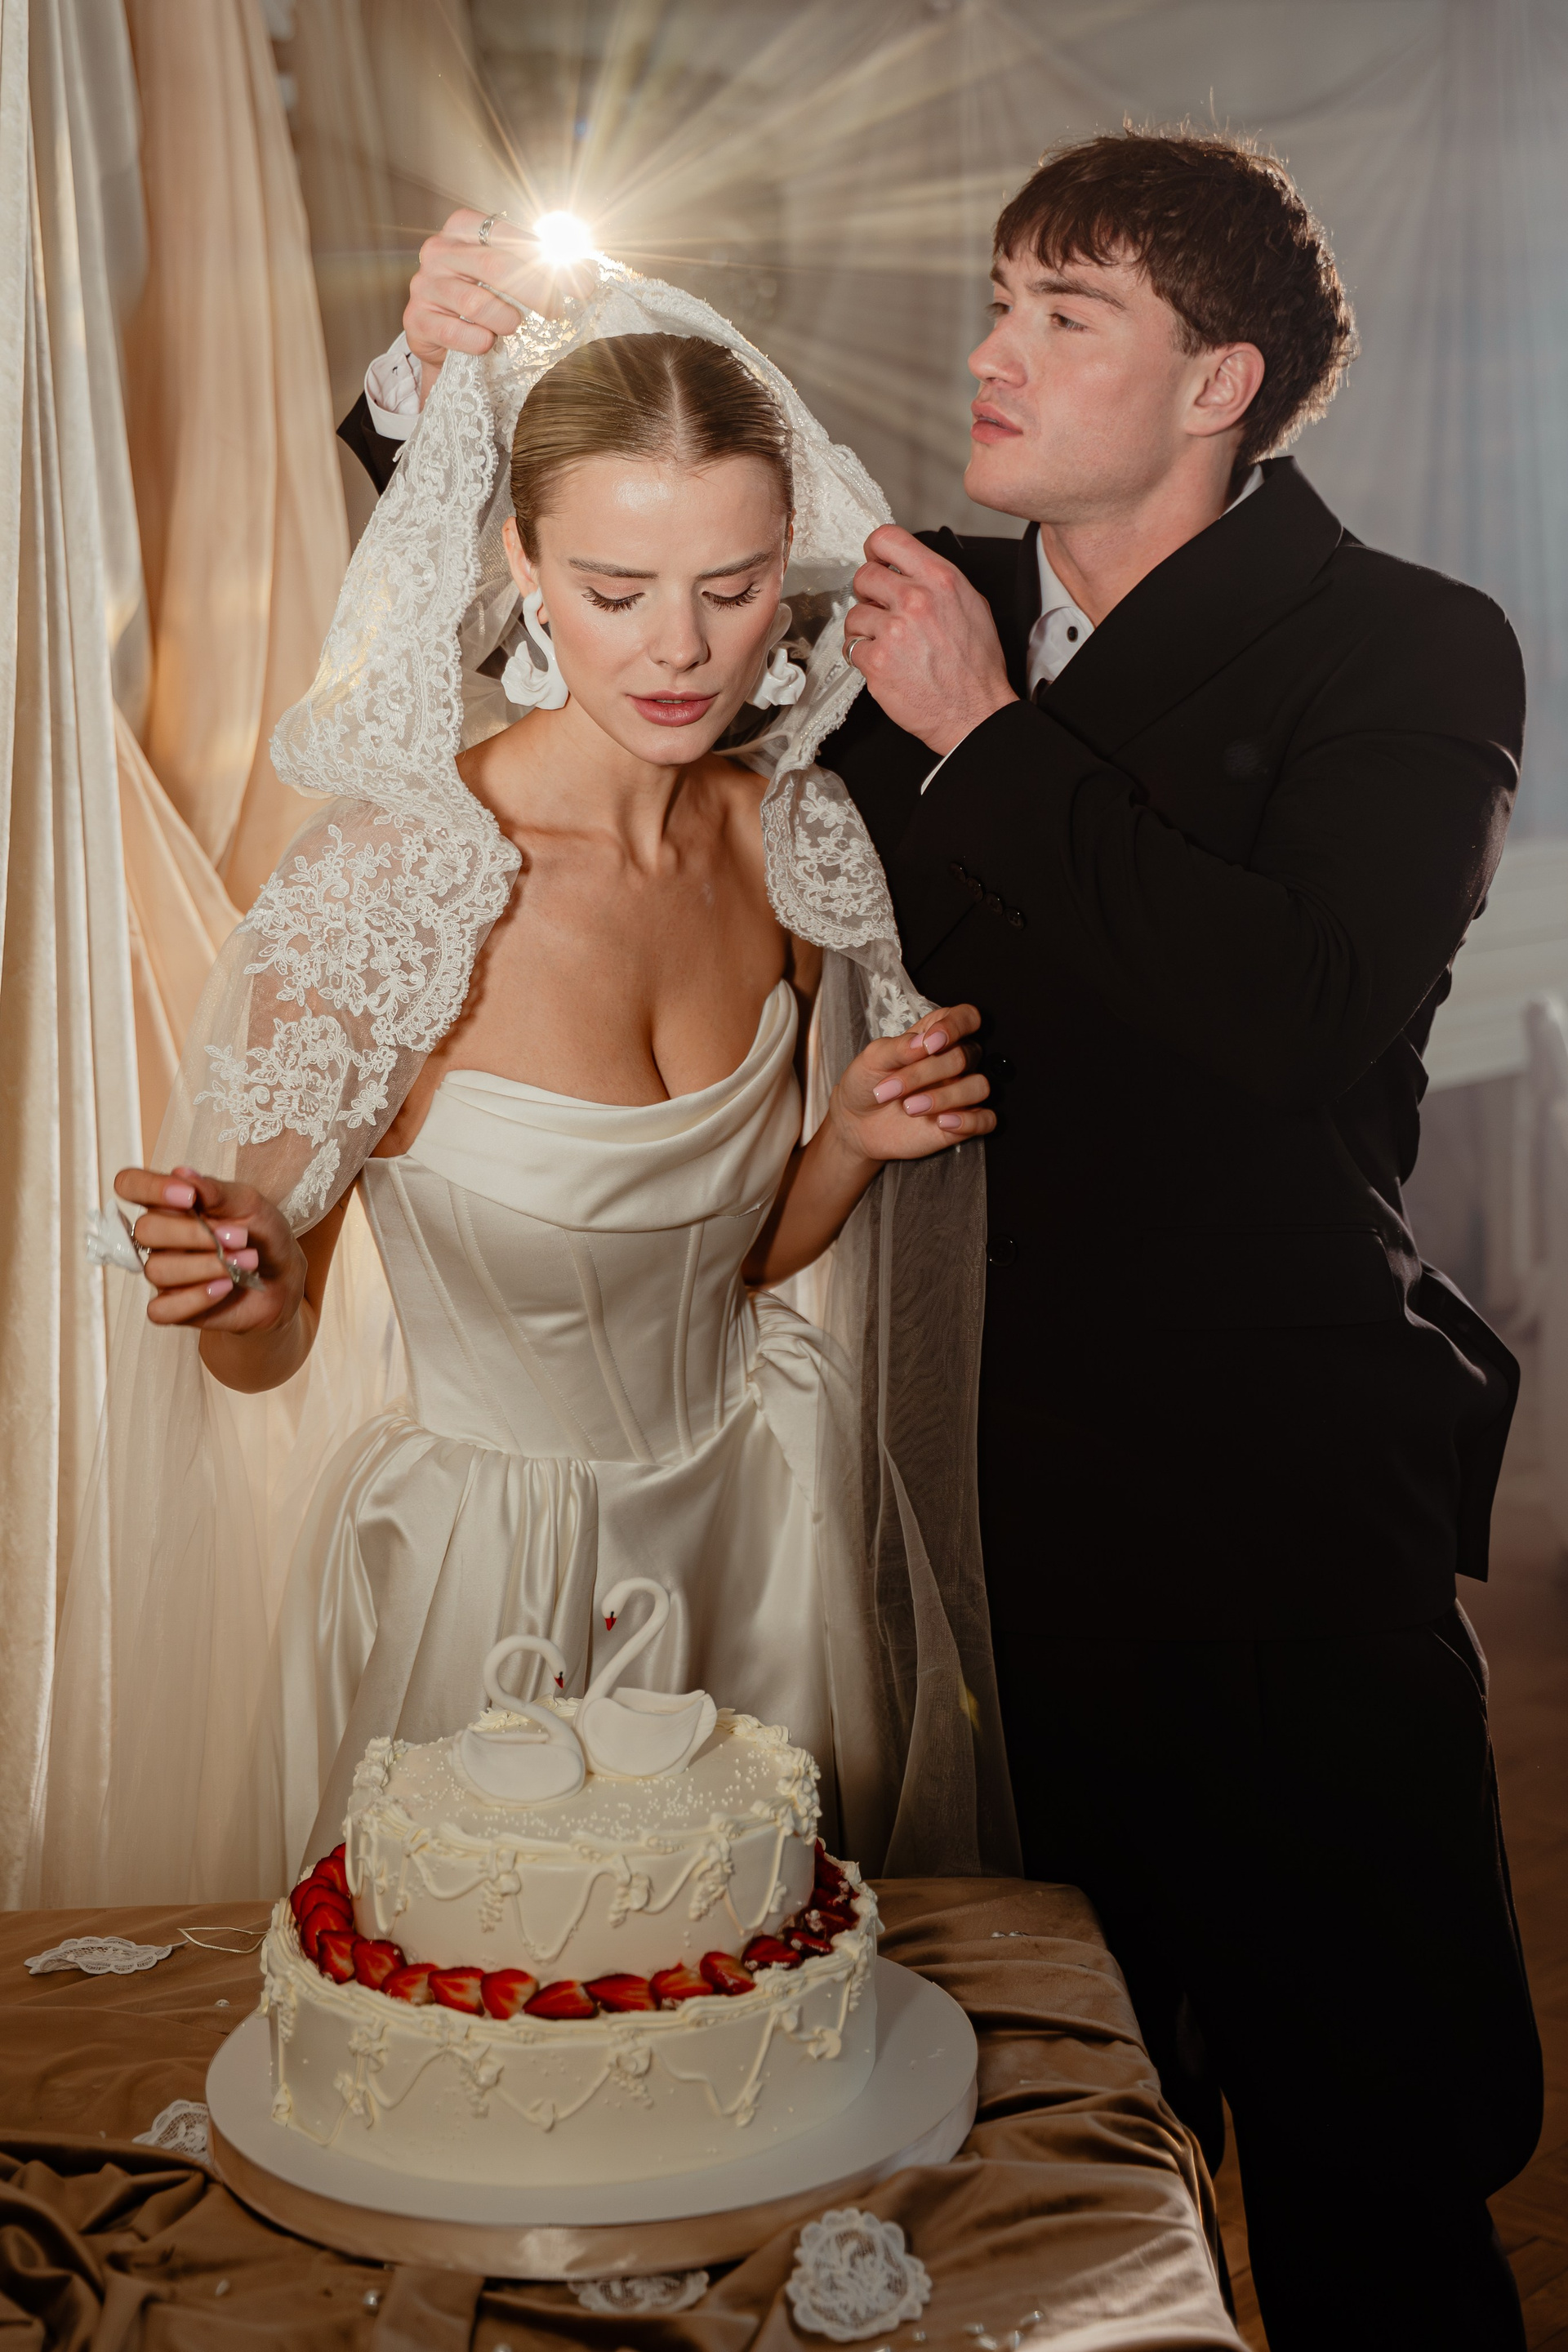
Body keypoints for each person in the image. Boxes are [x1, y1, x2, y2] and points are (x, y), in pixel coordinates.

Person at [341, 133, 1540, 2350]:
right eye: (998, 298)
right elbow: (590, 623)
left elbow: (1301, 1012)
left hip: (1274, 1517)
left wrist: (984, 732)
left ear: (1219, 384)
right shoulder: (888, 606)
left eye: (1063, 316)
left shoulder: (1413, 643)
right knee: (1057, 2153)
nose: (992, 353)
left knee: (1373, 2160)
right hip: (955, 1522)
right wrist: (434, 393)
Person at [35, 296, 1017, 1917]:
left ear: (790, 569)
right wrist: (251, 1297)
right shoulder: (388, 891)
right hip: (490, 1588)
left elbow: (724, 1268)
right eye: (618, 592)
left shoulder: (793, 843)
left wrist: (843, 1141)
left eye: (732, 587)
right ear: (523, 568)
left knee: (753, 1997)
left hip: (760, 1537)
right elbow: (257, 1344)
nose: (681, 650)